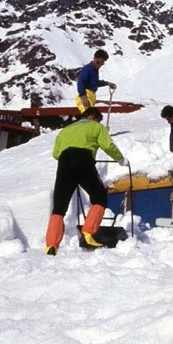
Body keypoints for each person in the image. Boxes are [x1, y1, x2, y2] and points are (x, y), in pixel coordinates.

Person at [44, 107, 128, 254]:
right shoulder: (96, 126)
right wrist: (121, 159)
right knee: (99, 197)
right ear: (93, 116)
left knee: (59, 207)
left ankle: (51, 245)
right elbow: (107, 145)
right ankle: (88, 233)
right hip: (83, 160)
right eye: (98, 119)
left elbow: (55, 154)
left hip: (64, 164)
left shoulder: (65, 130)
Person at [75, 49, 116, 113]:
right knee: (88, 117)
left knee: (91, 117)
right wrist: (83, 96)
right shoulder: (88, 68)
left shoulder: (94, 70)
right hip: (86, 96)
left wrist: (107, 83)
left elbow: (94, 83)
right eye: (98, 62)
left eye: (102, 62)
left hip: (91, 96)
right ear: (94, 59)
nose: (99, 64)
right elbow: (81, 81)